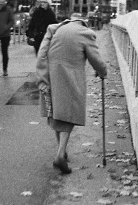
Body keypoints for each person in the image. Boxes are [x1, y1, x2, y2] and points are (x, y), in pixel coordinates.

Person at [36, 19, 107, 174]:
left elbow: (42, 53)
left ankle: (62, 151)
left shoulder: (54, 28)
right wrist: (103, 72)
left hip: (50, 75)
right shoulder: (85, 33)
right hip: (70, 76)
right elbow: (96, 59)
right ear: (83, 24)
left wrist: (42, 77)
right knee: (69, 114)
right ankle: (60, 154)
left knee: (56, 112)